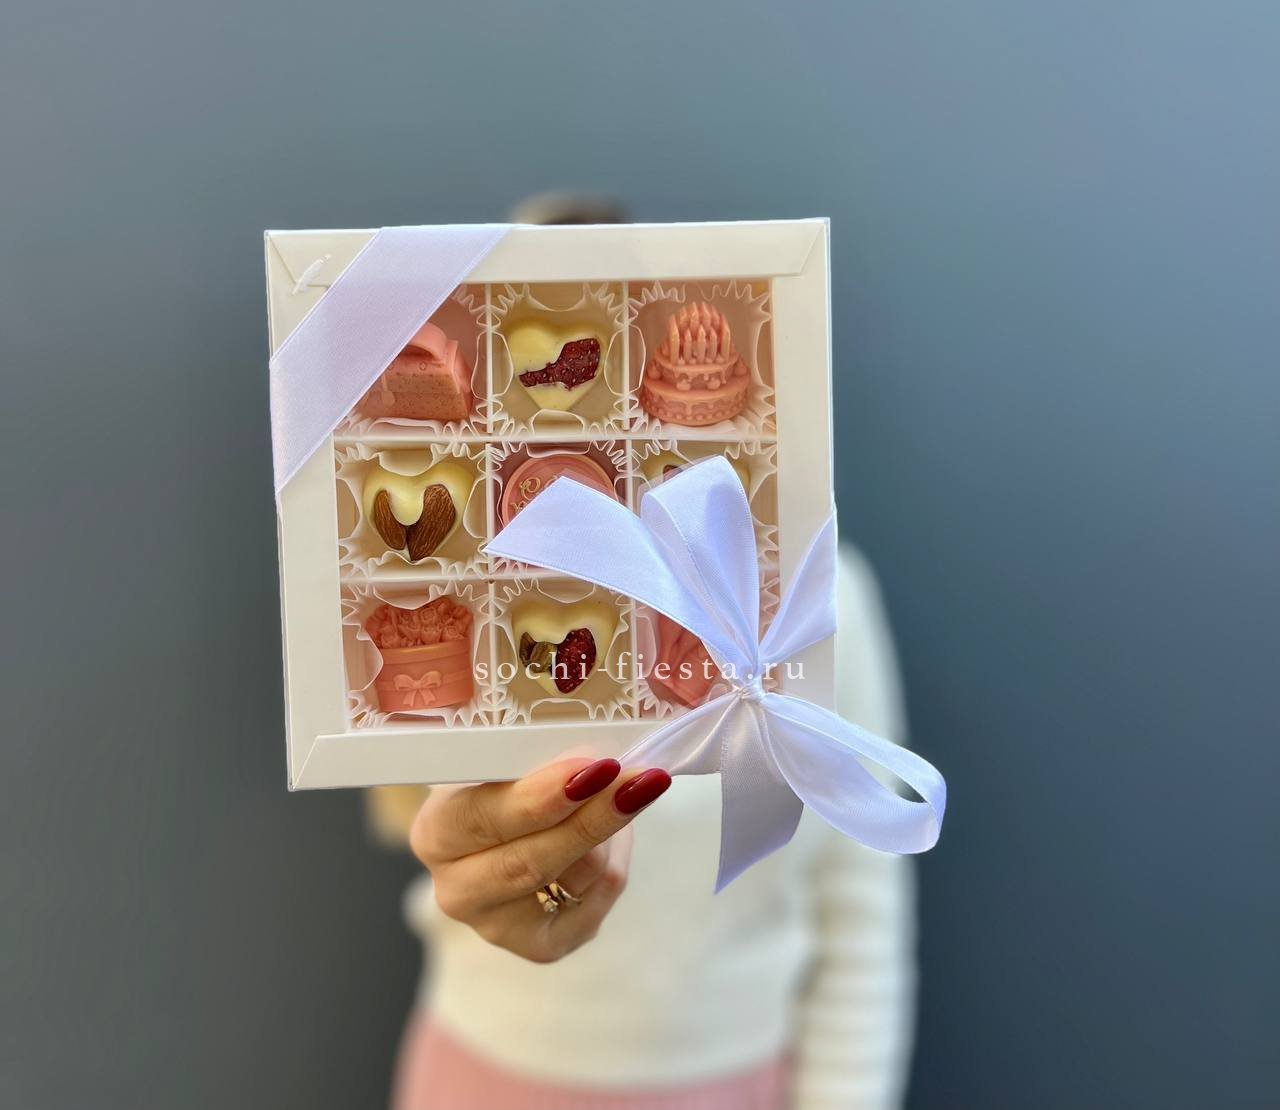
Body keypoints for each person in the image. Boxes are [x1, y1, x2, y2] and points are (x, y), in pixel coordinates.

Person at [370, 196, 919, 1109]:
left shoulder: (815, 606)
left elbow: (863, 911)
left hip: (729, 1084)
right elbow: (437, 821)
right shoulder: (461, 596)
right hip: (480, 1071)